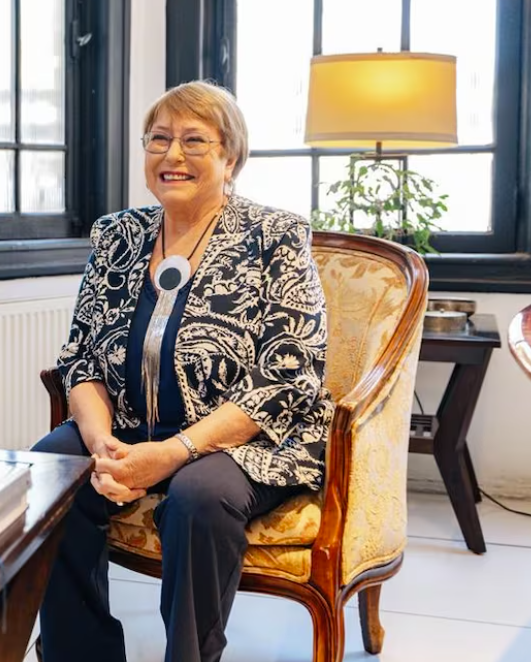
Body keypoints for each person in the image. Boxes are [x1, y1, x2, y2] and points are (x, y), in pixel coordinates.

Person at [34, 81, 331, 662]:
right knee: (50, 469)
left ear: (230, 157)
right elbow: (83, 359)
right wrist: (100, 444)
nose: (172, 156)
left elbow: (286, 379)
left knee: (200, 495)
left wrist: (174, 453)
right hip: (127, 426)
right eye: (159, 139)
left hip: (239, 441)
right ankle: (80, 653)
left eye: (194, 141)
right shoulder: (117, 235)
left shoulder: (276, 236)